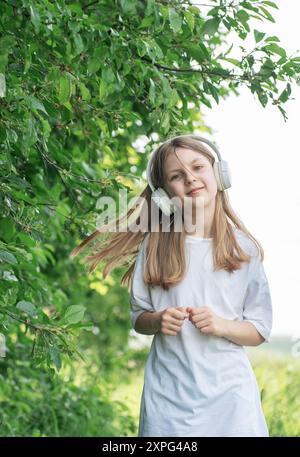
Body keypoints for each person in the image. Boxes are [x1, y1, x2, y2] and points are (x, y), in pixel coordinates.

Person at [71, 134, 273, 437]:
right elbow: (139, 318)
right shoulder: (155, 247)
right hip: (168, 402)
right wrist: (158, 319)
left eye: (198, 167)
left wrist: (221, 325)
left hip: (231, 401)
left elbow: (258, 330)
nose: (190, 179)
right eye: (177, 176)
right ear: (165, 195)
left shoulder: (243, 250)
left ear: (220, 174)